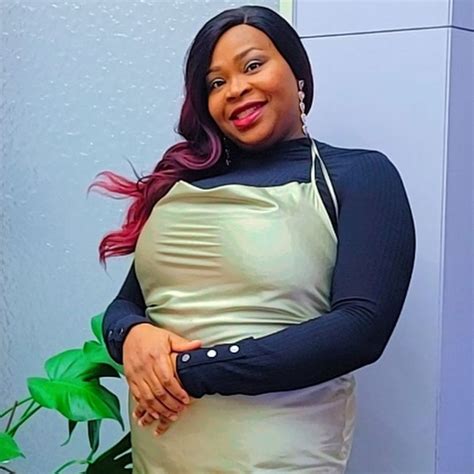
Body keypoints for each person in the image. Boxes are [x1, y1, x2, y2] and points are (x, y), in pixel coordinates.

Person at [90, 5, 416, 473]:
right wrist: (132, 337)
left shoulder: (357, 175)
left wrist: (182, 373)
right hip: (159, 458)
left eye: (253, 65)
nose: (235, 89)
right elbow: (128, 303)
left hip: (277, 458)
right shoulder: (183, 185)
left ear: (297, 71)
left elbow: (359, 330)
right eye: (215, 83)